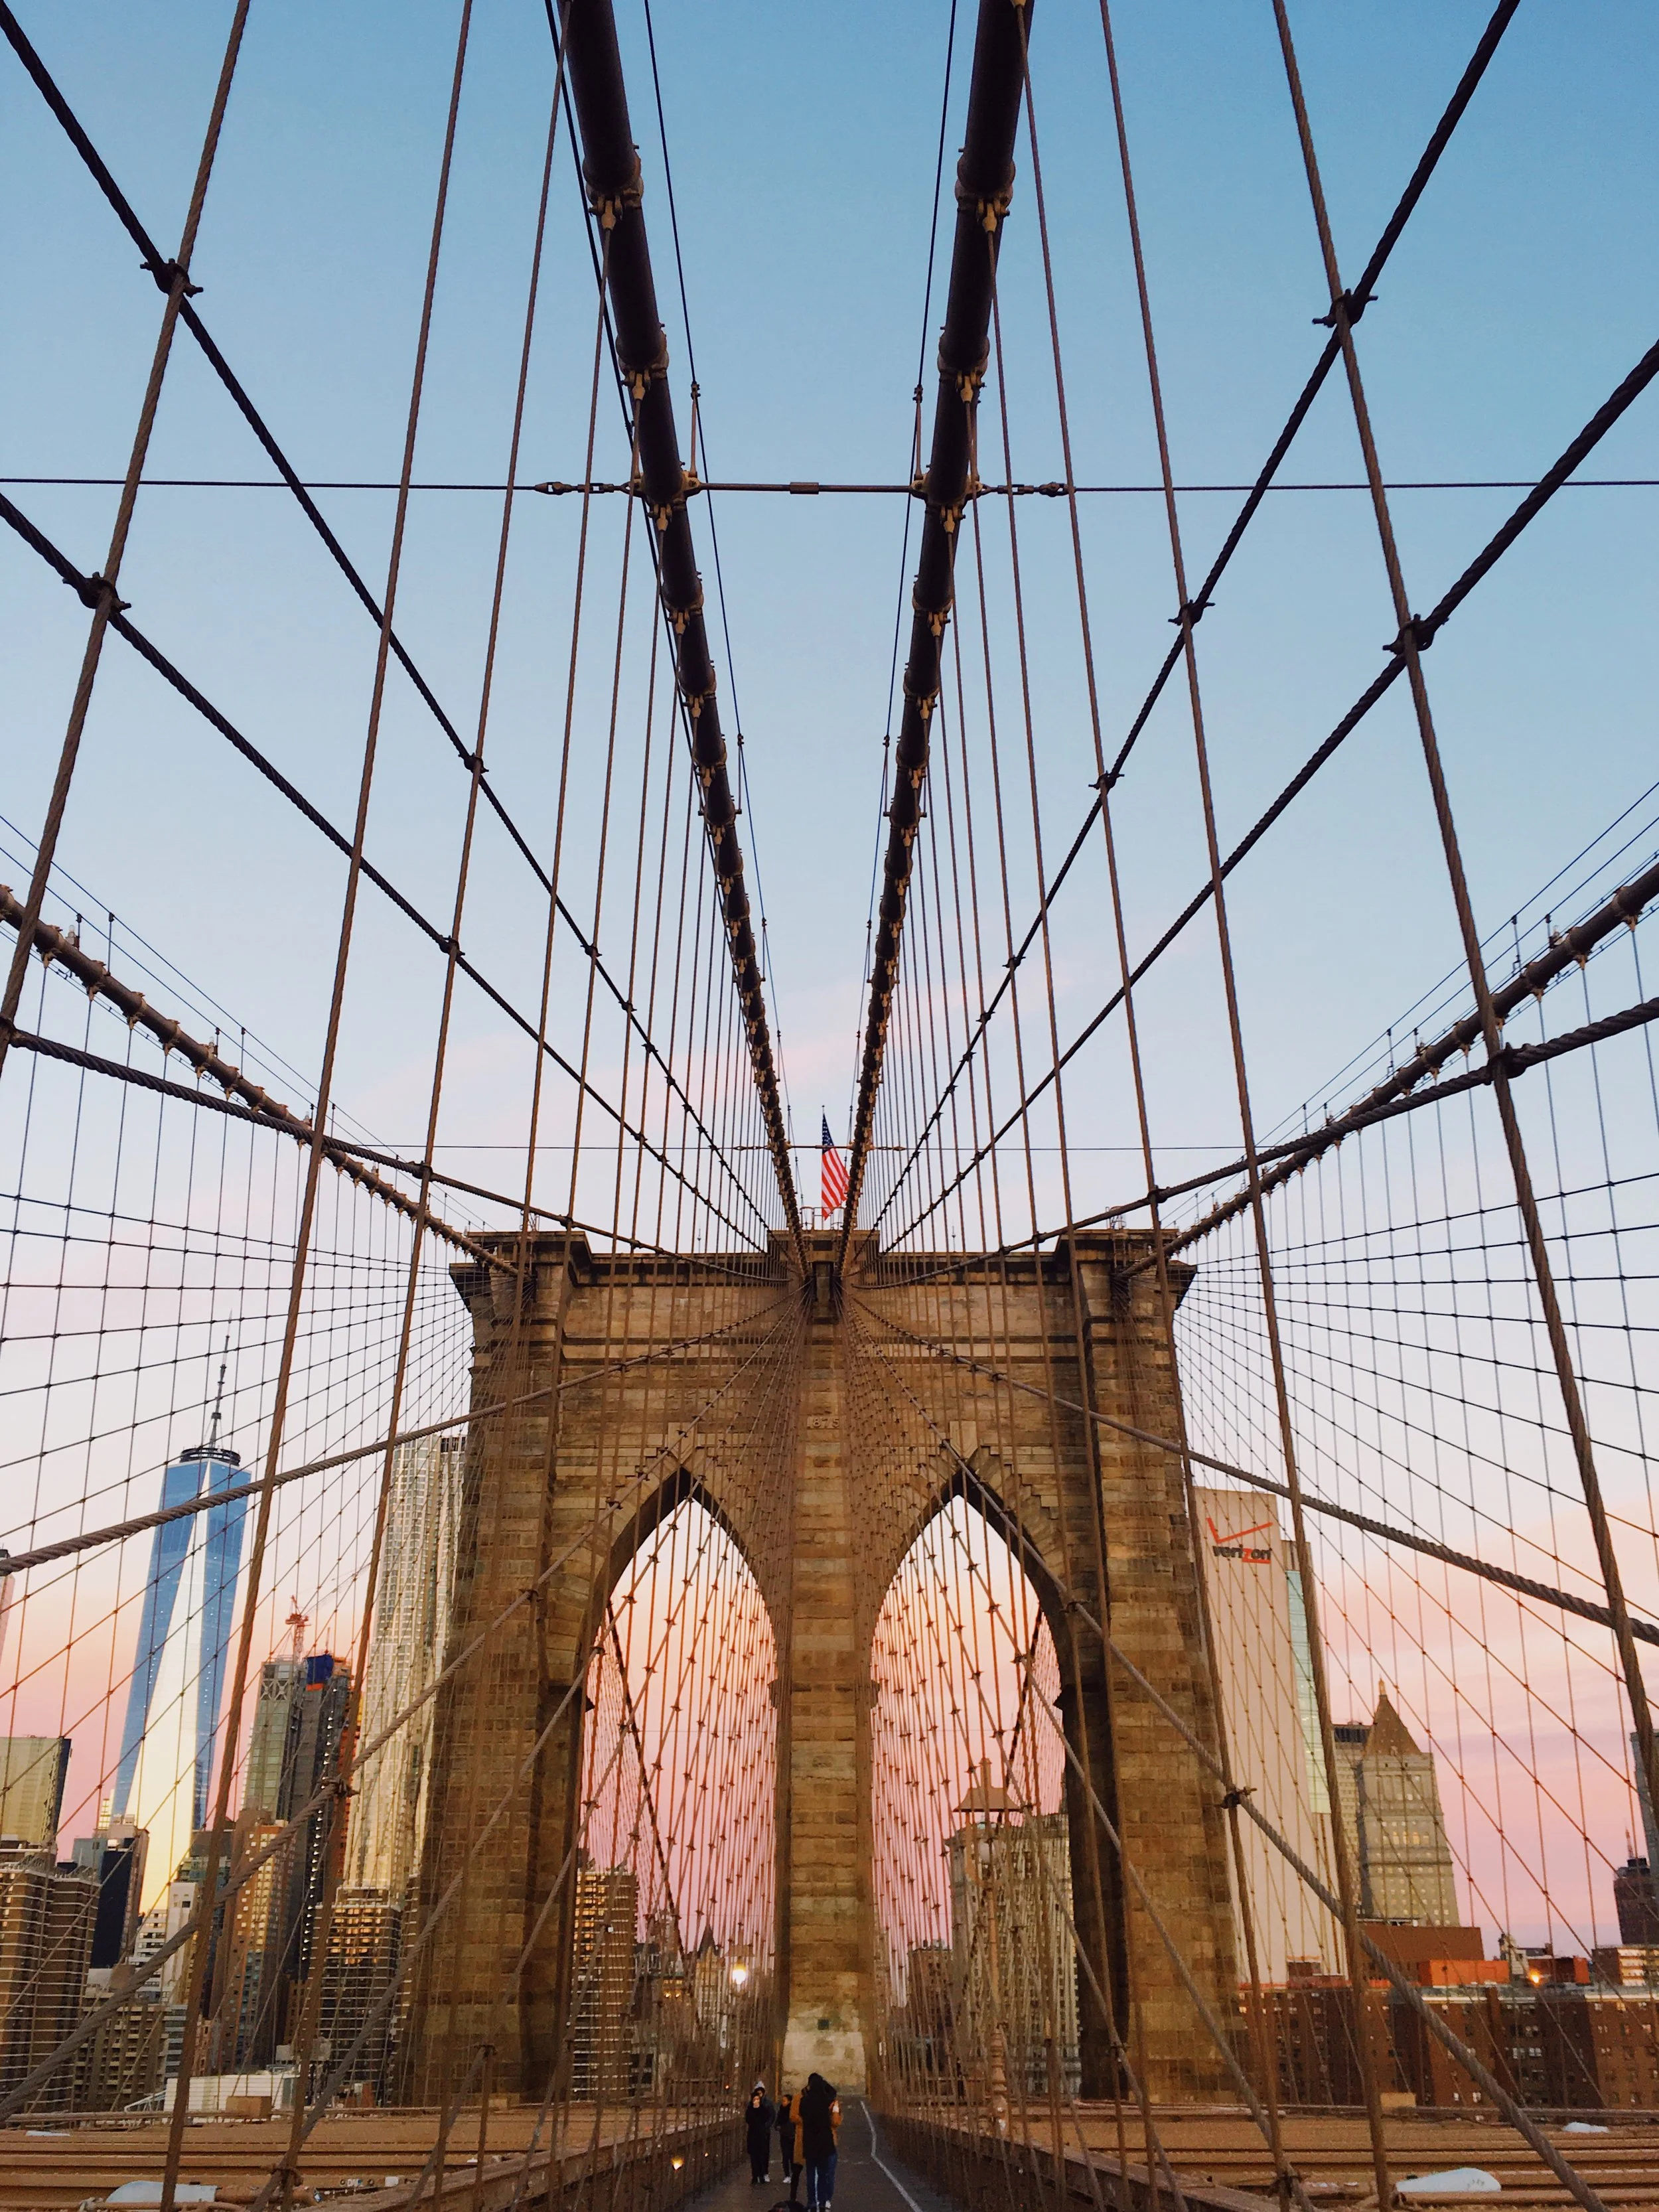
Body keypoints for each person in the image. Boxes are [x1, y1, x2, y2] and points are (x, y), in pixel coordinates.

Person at [796, 2072, 840, 2212]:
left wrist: (806, 2091)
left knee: (810, 2174)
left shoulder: (805, 2101)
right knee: (823, 2174)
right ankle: (822, 2201)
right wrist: (824, 2083)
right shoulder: (825, 2100)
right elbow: (833, 2092)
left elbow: (802, 2113)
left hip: (810, 2142)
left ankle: (811, 2201)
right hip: (824, 2142)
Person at [745, 2081, 775, 2185]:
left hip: (763, 2134)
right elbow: (748, 2119)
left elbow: (769, 2116)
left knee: (763, 2154)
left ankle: (763, 2174)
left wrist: (765, 2126)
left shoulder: (765, 2106)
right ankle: (755, 2175)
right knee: (754, 2156)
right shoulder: (750, 2109)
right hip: (753, 2135)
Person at [776, 2085, 802, 2205]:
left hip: (792, 2136)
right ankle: (787, 2174)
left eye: (785, 2101)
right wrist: (778, 2127)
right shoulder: (781, 2111)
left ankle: (792, 2174)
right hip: (784, 2136)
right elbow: (777, 2121)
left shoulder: (793, 2112)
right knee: (785, 2156)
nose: (784, 2103)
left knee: (792, 2156)